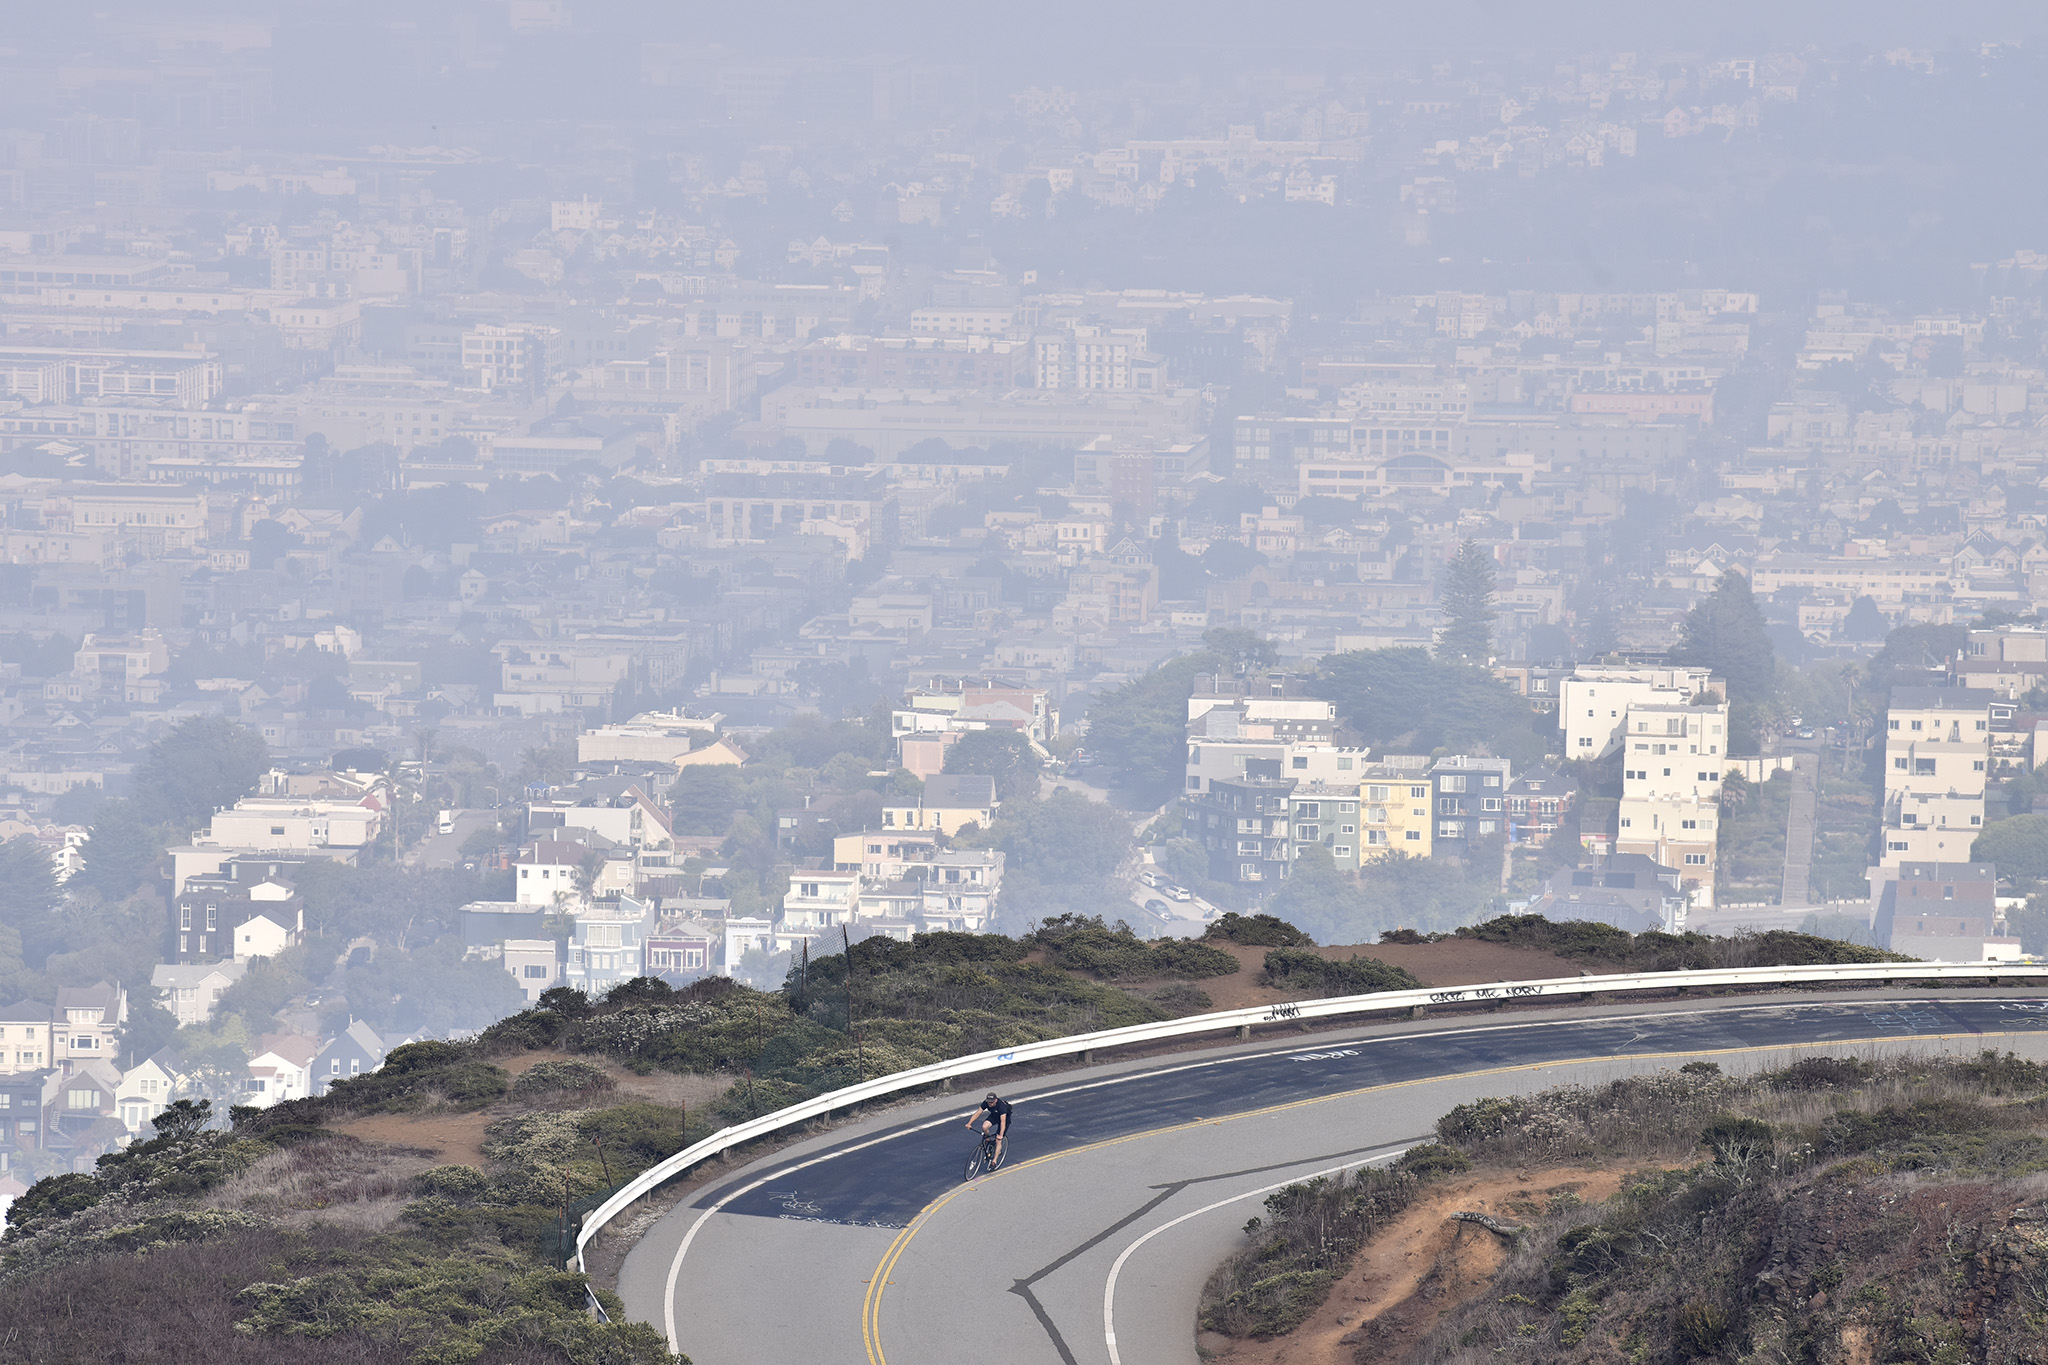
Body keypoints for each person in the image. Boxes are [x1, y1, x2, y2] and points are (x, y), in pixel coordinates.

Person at [965, 1091, 1012, 1165]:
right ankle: (988, 1140)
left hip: (1004, 1119)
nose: (989, 1104)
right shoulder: (986, 1103)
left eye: (991, 1102)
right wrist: (969, 1123)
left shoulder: (1001, 1107)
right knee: (984, 1126)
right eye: (988, 1102)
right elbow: (978, 1113)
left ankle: (994, 1161)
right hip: (994, 1115)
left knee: (998, 1140)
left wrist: (1000, 1135)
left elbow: (1003, 1122)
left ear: (996, 1100)